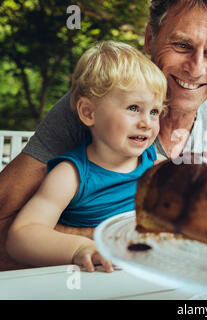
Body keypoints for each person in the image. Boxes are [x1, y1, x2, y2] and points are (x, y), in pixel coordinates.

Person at [0, 0, 207, 270]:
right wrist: (100, 242)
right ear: (150, 39)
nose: (196, 68)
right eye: (182, 45)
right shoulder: (97, 107)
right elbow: (6, 220)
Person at [5, 41, 167, 272]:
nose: (146, 123)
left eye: (154, 112)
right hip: (91, 280)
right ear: (88, 113)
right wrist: (80, 248)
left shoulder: (157, 166)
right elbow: (22, 235)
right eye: (133, 108)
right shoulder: (71, 175)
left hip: (144, 276)